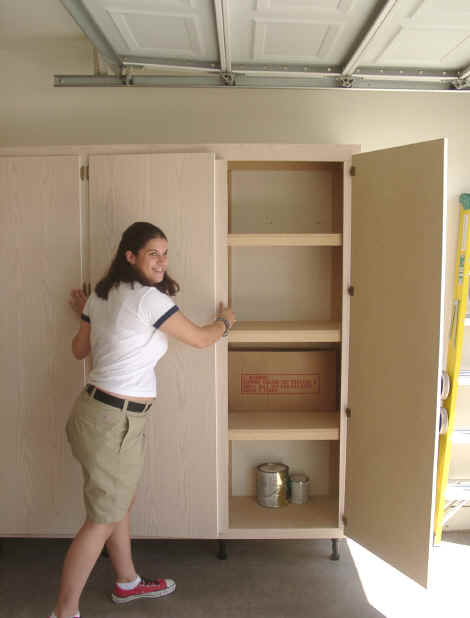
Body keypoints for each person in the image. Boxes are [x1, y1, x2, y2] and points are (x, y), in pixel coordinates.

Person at [50, 221, 235, 618]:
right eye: (153, 253)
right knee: (101, 519)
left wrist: (85, 314)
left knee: (119, 503)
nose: (162, 261)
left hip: (99, 417)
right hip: (113, 424)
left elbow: (78, 351)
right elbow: (203, 338)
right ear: (130, 256)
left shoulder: (101, 297)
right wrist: (227, 322)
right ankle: (64, 612)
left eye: (165, 253)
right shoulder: (148, 299)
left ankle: (127, 582)